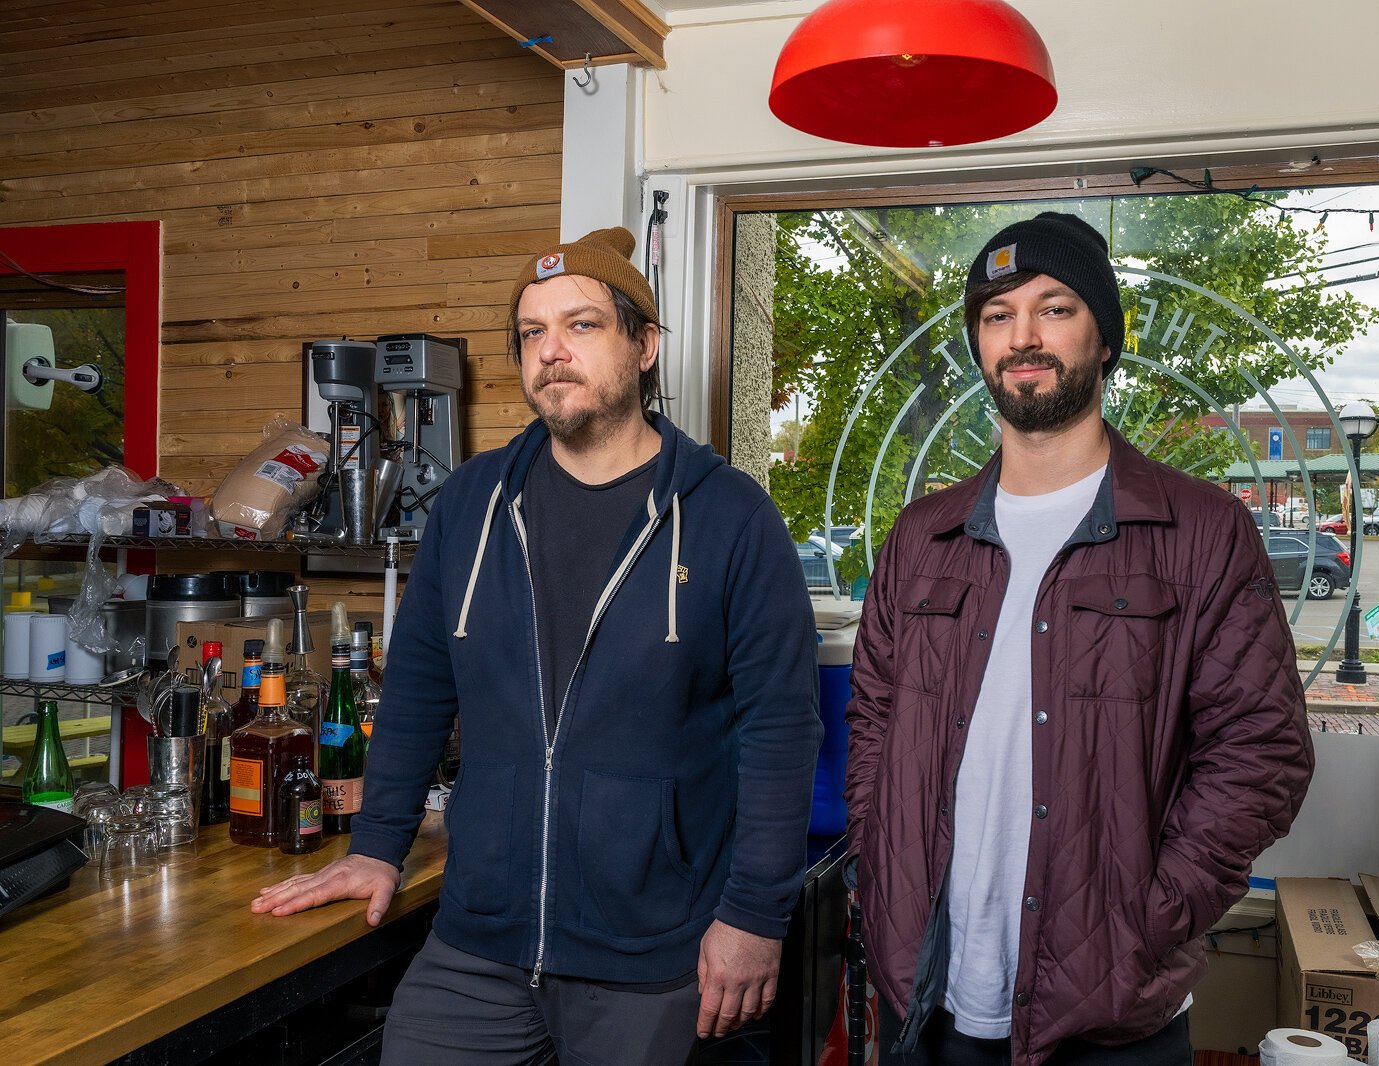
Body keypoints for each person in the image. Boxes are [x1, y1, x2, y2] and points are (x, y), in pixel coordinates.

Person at [252, 227, 822, 1065]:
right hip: (478, 943)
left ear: (646, 346)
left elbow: (780, 732)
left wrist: (753, 918)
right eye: (532, 332)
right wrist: (377, 847)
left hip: (653, 955)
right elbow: (415, 689)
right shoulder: (472, 503)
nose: (552, 351)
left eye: (582, 325)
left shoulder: (732, 516)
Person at [844, 212, 1314, 1065]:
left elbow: (1261, 751)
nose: (1022, 335)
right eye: (996, 315)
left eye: (1054, 308)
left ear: (1104, 339)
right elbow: (873, 718)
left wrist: (1149, 912)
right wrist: (881, 865)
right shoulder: (922, 536)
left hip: (1108, 1010)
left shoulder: (1199, 531)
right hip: (927, 993)